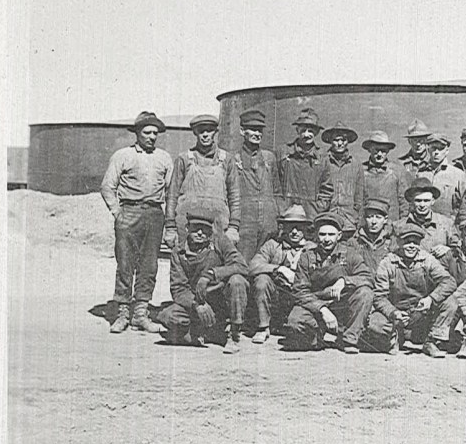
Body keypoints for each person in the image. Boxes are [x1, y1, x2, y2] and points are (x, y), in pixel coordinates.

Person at [100, 111, 173, 334]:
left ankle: (140, 313)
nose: (152, 137)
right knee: (125, 264)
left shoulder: (164, 158)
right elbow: (107, 186)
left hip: (154, 214)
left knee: (149, 265)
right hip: (129, 213)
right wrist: (117, 212)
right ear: (138, 133)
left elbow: (171, 190)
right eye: (147, 132)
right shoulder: (123, 155)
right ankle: (122, 313)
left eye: (155, 133)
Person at [157, 210, 249, 354]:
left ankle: (234, 335)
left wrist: (212, 274)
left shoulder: (221, 242)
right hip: (198, 304)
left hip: (221, 303)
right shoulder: (178, 252)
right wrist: (197, 305)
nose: (200, 233)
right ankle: (205, 333)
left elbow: (242, 266)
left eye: (205, 230)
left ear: (211, 231)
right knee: (168, 317)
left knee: (237, 281)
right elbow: (178, 289)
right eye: (195, 229)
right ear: (187, 229)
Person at [285, 213, 375, 353]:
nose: (326, 239)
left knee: (365, 293)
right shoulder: (307, 257)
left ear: (339, 236)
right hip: (315, 305)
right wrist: (322, 309)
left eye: (331, 234)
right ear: (316, 235)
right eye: (322, 234)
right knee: (295, 324)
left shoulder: (350, 254)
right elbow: (299, 291)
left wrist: (344, 281)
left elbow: (367, 278)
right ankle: (319, 337)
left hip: (341, 305)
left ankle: (348, 339)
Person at [370, 224, 457, 357]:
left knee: (450, 302)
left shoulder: (427, 259)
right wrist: (393, 312)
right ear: (399, 242)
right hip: (396, 313)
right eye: (407, 242)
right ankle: (394, 337)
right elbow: (379, 296)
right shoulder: (388, 262)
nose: (411, 246)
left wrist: (431, 299)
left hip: (421, 312)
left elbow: (449, 281)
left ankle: (432, 341)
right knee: (374, 323)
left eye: (415, 242)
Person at [164, 114, 241, 252]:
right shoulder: (184, 159)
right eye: (201, 131)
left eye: (209, 130)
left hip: (217, 225)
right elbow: (172, 195)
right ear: (195, 133)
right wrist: (170, 227)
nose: (205, 135)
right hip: (188, 226)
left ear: (215, 132)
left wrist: (234, 227)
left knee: (214, 264)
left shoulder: (227, 160)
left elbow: (234, 196)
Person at [247, 205, 314, 344]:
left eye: (299, 227)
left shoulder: (312, 248)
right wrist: (279, 269)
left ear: (305, 229)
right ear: (283, 227)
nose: (294, 232)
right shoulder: (273, 245)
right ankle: (263, 327)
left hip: (302, 295)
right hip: (278, 294)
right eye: (290, 227)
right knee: (262, 280)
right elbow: (252, 266)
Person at [233, 108, 282, 263]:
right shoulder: (234, 160)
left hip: (268, 225)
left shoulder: (269, 158)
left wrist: (278, 218)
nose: (257, 133)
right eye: (252, 129)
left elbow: (277, 192)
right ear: (242, 131)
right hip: (245, 224)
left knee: (265, 267)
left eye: (259, 130)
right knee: (242, 265)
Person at [433, 217, 466, 353]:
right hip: (452, 299)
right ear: (461, 237)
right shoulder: (452, 255)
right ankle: (437, 339)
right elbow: (439, 275)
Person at [277, 107, 333, 217]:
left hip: (312, 217)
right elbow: (275, 185)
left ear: (316, 133)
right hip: (286, 216)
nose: (306, 135)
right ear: (297, 130)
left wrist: (317, 210)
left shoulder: (322, 157)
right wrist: (282, 209)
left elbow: (327, 189)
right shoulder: (283, 153)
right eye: (303, 130)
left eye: (311, 131)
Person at [356, 131, 409, 222]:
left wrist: (402, 222)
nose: (379, 154)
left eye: (383, 151)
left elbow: (404, 201)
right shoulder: (361, 171)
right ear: (370, 149)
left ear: (388, 151)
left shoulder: (397, 171)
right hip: (369, 222)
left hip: (392, 222)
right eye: (376, 150)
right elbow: (357, 200)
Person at [399, 177, 456, 257]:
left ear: (433, 201)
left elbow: (459, 248)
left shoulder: (446, 223)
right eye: (418, 201)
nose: (422, 205)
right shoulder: (401, 225)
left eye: (426, 201)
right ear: (411, 201)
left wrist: (448, 249)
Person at [417, 133, 466, 217]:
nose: (436, 152)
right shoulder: (421, 174)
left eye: (440, 149)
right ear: (428, 149)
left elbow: (465, 204)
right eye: (433, 148)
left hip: (447, 224)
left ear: (447, 151)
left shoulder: (458, 174)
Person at [321, 121, 363, 215]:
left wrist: (356, 214)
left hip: (349, 218)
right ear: (330, 141)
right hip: (327, 214)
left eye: (343, 140)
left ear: (348, 141)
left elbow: (359, 195)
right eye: (336, 140)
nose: (340, 143)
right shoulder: (322, 162)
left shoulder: (356, 164)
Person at [349, 198, 396, 271]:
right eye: (370, 217)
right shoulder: (354, 242)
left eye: (378, 217)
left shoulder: (391, 243)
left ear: (385, 220)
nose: (374, 222)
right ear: (364, 218)